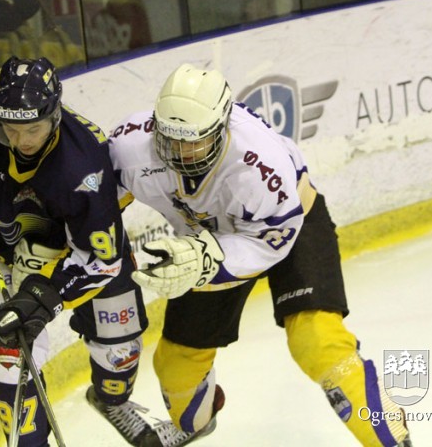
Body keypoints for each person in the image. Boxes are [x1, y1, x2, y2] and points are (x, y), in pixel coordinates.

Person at [107, 64, 413, 447]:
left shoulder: (262, 165)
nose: (180, 153)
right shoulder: (129, 147)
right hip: (205, 241)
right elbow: (94, 209)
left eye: (194, 141)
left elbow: (270, 243)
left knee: (317, 342)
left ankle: (391, 439)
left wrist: (204, 259)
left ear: (222, 128)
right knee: (175, 365)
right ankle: (196, 420)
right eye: (170, 139)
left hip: (288, 227)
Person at [0, 56, 162, 446]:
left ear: (55, 116)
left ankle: (111, 400)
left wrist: (44, 298)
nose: (23, 141)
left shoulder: (83, 168)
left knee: (121, 343)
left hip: (82, 248)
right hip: (10, 248)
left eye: (34, 128)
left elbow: (101, 261)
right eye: (11, 130)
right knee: (10, 356)